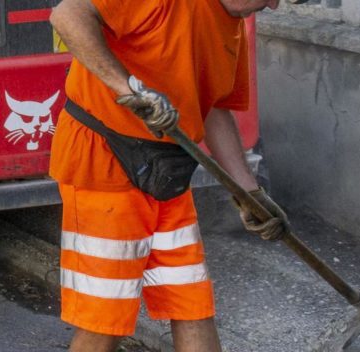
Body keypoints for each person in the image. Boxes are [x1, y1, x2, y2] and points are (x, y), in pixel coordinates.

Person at [49, 0, 286, 351]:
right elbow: (67, 15)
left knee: (192, 304)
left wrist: (248, 193)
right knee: (104, 319)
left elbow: (213, 110)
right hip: (104, 164)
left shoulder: (233, 27)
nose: (275, 5)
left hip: (165, 174)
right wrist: (128, 90)